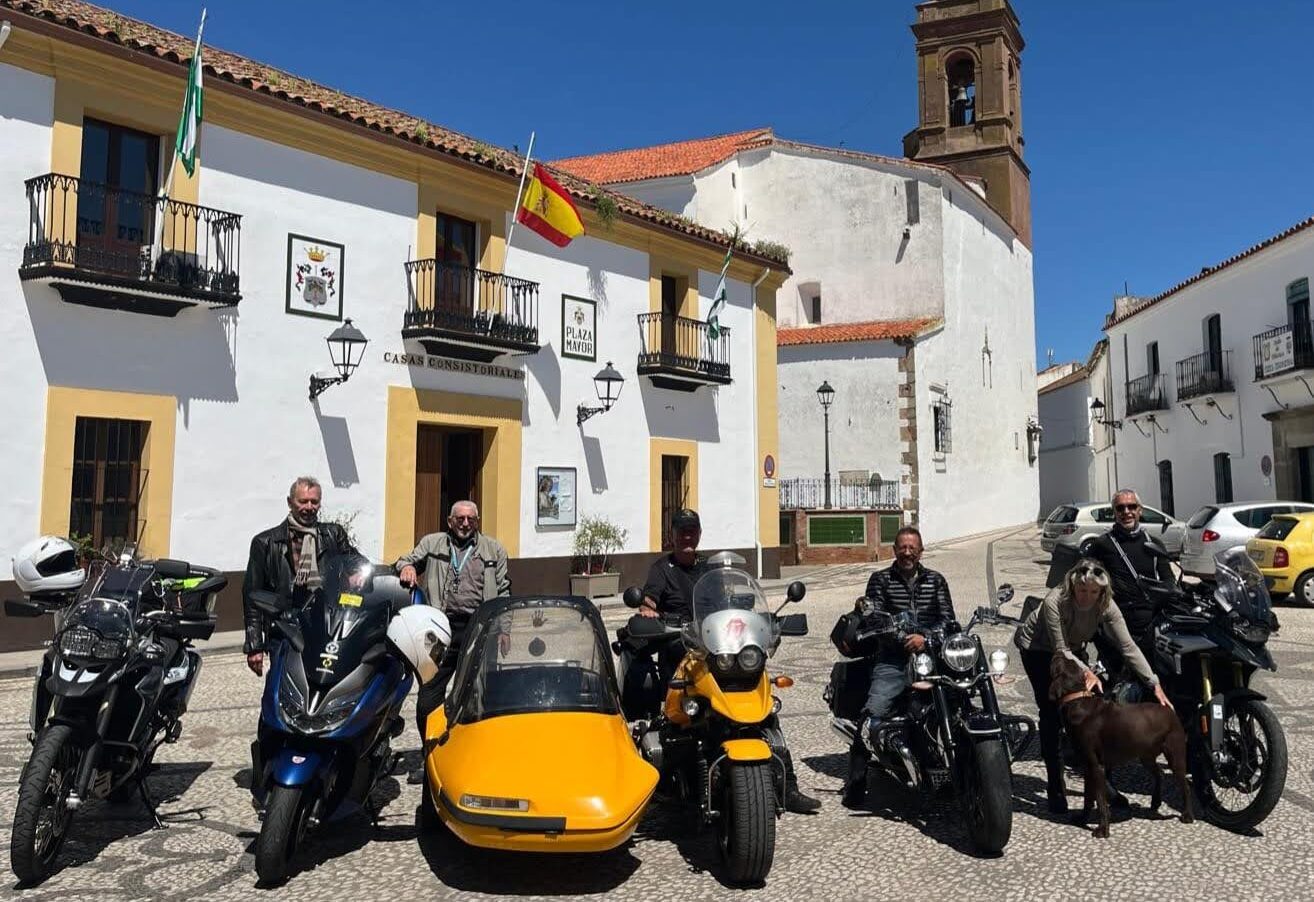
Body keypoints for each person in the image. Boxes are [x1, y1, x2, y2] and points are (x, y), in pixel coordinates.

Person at [634, 508, 821, 814]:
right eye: (682, 531)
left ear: (699, 533)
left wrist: (752, 615)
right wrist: (648, 611)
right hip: (681, 647)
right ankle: (666, 777)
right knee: (681, 715)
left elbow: (727, 601)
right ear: (672, 535)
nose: (687, 536)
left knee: (763, 709)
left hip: (716, 649)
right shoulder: (662, 569)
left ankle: (787, 787)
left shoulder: (709, 568)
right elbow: (649, 600)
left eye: (692, 530)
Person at [1014, 558, 1172, 813]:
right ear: (1073, 585)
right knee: (1052, 712)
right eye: (1082, 590)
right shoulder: (1055, 600)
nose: (1086, 597)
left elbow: (1128, 646)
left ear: (1102, 592)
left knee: (1092, 713)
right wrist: (1087, 672)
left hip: (1074, 649)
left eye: (1093, 592)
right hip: (1039, 649)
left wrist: (1154, 683)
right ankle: (1055, 787)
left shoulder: (1106, 604)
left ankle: (1103, 785)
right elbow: (1061, 650)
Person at [843, 525, 957, 809]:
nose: (907, 553)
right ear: (894, 550)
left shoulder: (936, 580)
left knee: (958, 702)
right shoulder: (880, 580)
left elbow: (948, 619)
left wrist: (925, 638)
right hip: (893, 658)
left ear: (921, 551)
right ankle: (855, 783)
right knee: (873, 713)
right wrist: (904, 640)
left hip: (930, 657)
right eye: (902, 547)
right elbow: (874, 620)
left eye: (912, 548)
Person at [396, 499, 510, 782]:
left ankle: (476, 758)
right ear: (450, 521)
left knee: (480, 697)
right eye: (460, 518)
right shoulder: (433, 543)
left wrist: (504, 629)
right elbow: (405, 560)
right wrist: (407, 567)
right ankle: (430, 757)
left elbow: (504, 591)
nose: (465, 523)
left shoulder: (494, 550)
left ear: (477, 521)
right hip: (440, 630)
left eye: (471, 519)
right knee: (428, 698)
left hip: (479, 628)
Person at [242, 476, 357, 677]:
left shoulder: (333, 535)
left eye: (314, 501)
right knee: (281, 685)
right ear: (290, 502)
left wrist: (357, 573)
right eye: (303, 501)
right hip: (284, 629)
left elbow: (355, 561)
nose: (309, 507)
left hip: (325, 627)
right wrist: (254, 645)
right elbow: (252, 596)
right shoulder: (265, 542)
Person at [1082, 489, 1175, 666]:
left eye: (1131, 507)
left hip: (1151, 619)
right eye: (1120, 508)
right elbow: (1083, 577)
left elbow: (1168, 579)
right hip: (1118, 618)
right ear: (1114, 512)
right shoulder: (1102, 544)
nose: (1126, 512)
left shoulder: (1154, 543)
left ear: (1140, 510)